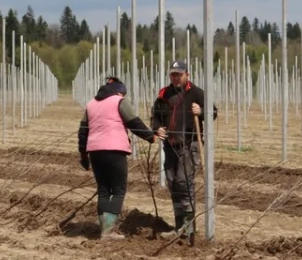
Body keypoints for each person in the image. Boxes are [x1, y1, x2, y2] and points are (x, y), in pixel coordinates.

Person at [77, 76, 158, 239]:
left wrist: (84, 156)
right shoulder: (119, 101)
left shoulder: (91, 104)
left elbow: (83, 132)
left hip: (95, 151)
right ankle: (108, 231)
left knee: (103, 191)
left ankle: (104, 230)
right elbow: (134, 122)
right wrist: (150, 137)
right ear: (119, 92)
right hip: (115, 150)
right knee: (118, 190)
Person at [151, 60, 211, 242]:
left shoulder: (196, 93)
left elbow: (213, 112)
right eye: (173, 74)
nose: (176, 78)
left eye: (179, 74)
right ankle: (179, 227)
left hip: (190, 144)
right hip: (170, 145)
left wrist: (201, 111)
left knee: (184, 182)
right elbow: (155, 117)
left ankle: (189, 228)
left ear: (187, 75)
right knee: (173, 183)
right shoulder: (164, 94)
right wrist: (157, 128)